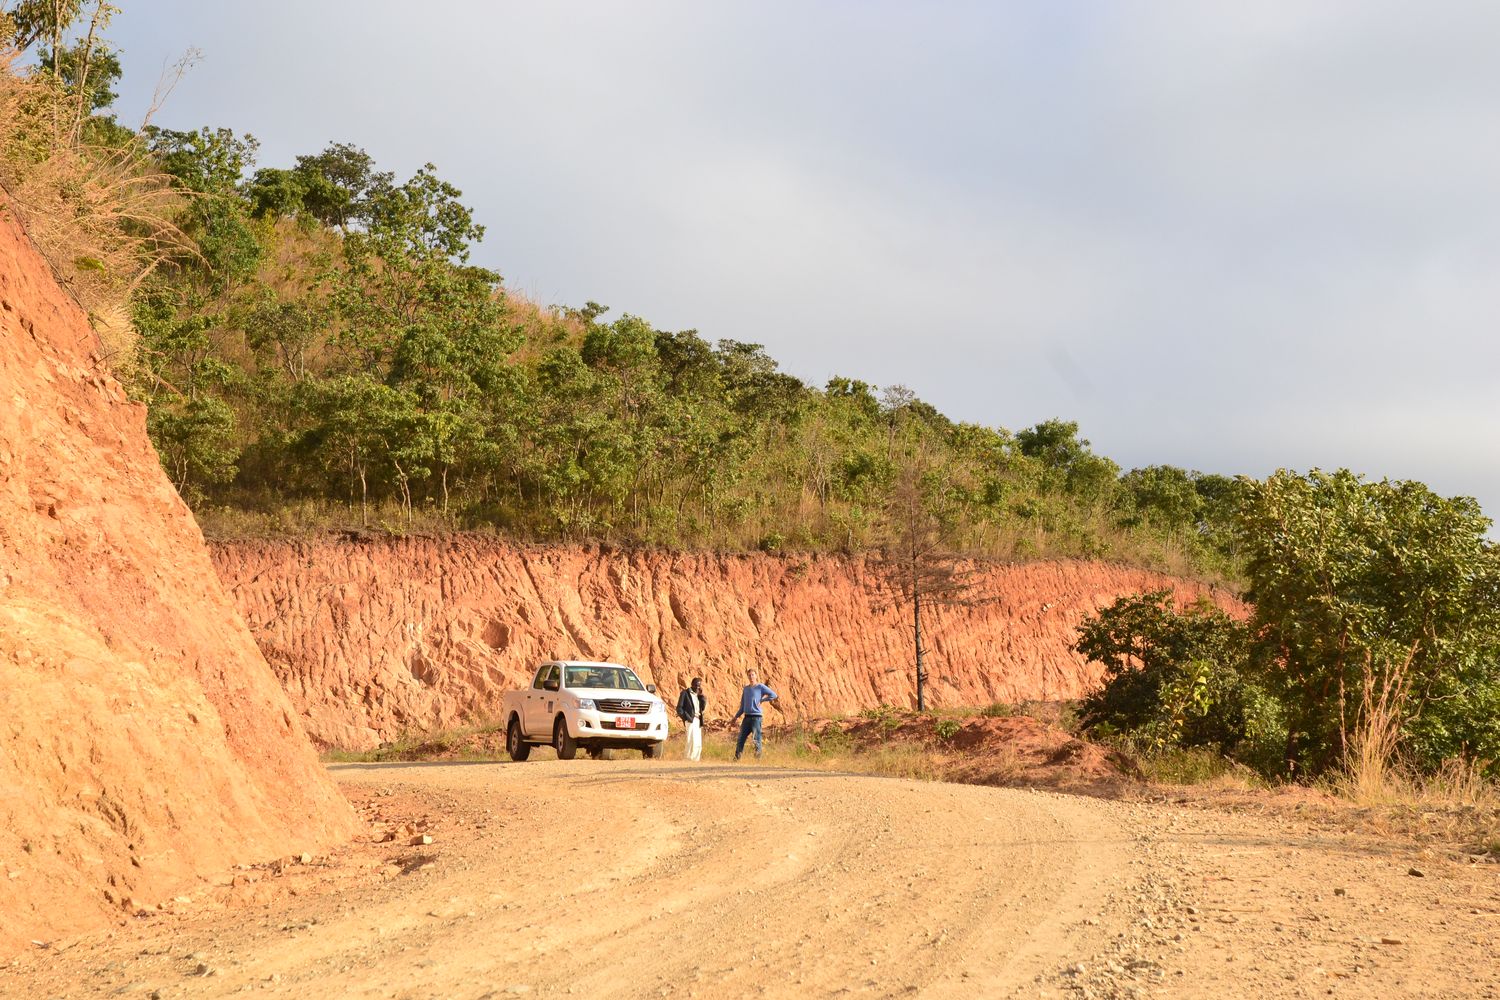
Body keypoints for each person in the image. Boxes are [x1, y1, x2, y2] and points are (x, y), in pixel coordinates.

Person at [729, 668, 781, 761]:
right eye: (749, 675)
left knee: (756, 738)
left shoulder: (760, 687)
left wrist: (762, 700)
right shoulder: (746, 689)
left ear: (756, 676)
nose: (751, 677)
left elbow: (773, 695)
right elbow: (742, 706)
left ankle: (757, 760)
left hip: (756, 718)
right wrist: (735, 717)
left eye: (753, 675)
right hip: (746, 717)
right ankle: (737, 758)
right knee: (741, 738)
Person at [676, 677, 707, 762]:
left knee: (698, 741)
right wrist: (685, 718)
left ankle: (696, 760)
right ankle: (687, 759)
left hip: (698, 720)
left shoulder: (698, 695)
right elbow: (679, 708)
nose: (698, 687)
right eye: (696, 685)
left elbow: (702, 708)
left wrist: (702, 696)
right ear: (692, 685)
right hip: (690, 719)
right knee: (691, 740)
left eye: (699, 686)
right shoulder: (685, 693)